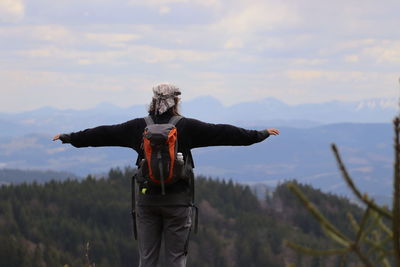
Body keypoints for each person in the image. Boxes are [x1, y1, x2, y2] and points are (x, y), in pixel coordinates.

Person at [53, 83, 280, 267]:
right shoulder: (187, 127)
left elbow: (103, 134)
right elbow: (224, 133)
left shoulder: (138, 127)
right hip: (178, 203)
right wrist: (258, 135)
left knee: (147, 259)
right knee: (175, 259)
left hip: (146, 201)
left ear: (152, 101)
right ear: (176, 102)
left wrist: (70, 137)